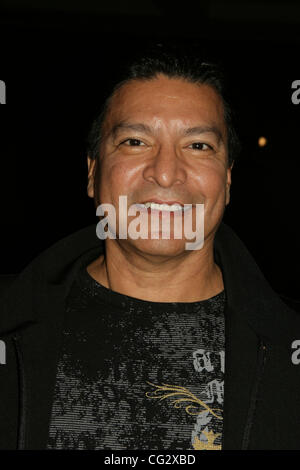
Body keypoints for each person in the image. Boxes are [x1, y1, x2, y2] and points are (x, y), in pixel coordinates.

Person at [1, 46, 300, 451]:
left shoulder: (289, 346)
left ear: (228, 181)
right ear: (93, 172)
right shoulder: (9, 320)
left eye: (198, 146)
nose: (165, 172)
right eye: (135, 141)